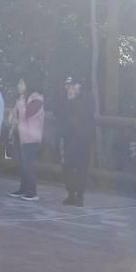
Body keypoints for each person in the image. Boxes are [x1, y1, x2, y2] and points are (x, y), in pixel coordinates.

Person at [60, 77, 95, 207]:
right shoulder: (66, 98)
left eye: (73, 86)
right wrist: (69, 100)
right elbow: (59, 112)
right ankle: (70, 194)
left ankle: (80, 196)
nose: (70, 88)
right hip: (69, 138)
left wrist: (73, 100)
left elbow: (86, 113)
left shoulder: (88, 98)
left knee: (81, 168)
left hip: (83, 139)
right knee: (67, 167)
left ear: (79, 86)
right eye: (69, 86)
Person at [10, 76, 45, 201]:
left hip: (32, 137)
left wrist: (18, 109)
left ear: (28, 85)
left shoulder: (37, 99)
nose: (19, 86)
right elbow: (13, 115)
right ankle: (23, 189)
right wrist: (15, 115)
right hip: (21, 136)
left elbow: (26, 115)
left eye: (21, 84)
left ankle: (32, 192)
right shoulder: (21, 98)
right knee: (23, 165)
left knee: (29, 165)